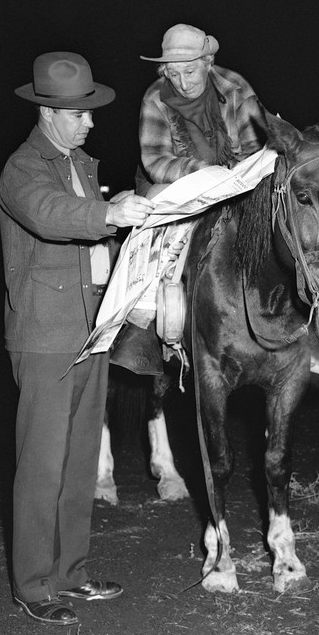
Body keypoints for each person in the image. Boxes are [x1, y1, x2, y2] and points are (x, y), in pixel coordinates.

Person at [0, 51, 155, 625]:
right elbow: (48, 214)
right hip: (44, 335)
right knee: (41, 464)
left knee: (80, 458)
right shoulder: (23, 167)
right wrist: (109, 214)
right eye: (78, 113)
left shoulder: (83, 164)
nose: (90, 122)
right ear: (47, 111)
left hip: (91, 330)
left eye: (89, 112)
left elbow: (94, 239)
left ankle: (71, 575)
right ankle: (34, 586)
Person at [109, 23, 265, 375]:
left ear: (209, 62)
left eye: (190, 71)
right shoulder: (155, 97)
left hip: (237, 177)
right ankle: (143, 321)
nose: (181, 82)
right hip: (175, 179)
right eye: (173, 73)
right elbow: (155, 159)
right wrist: (203, 172)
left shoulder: (236, 88)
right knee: (153, 222)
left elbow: (258, 145)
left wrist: (238, 175)